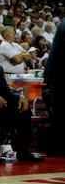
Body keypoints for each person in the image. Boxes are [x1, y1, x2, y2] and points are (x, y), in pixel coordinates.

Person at [42, 19, 65, 156]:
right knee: (61, 115)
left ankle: (56, 148)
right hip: (60, 76)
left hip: (56, 76)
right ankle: (56, 148)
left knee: (60, 115)